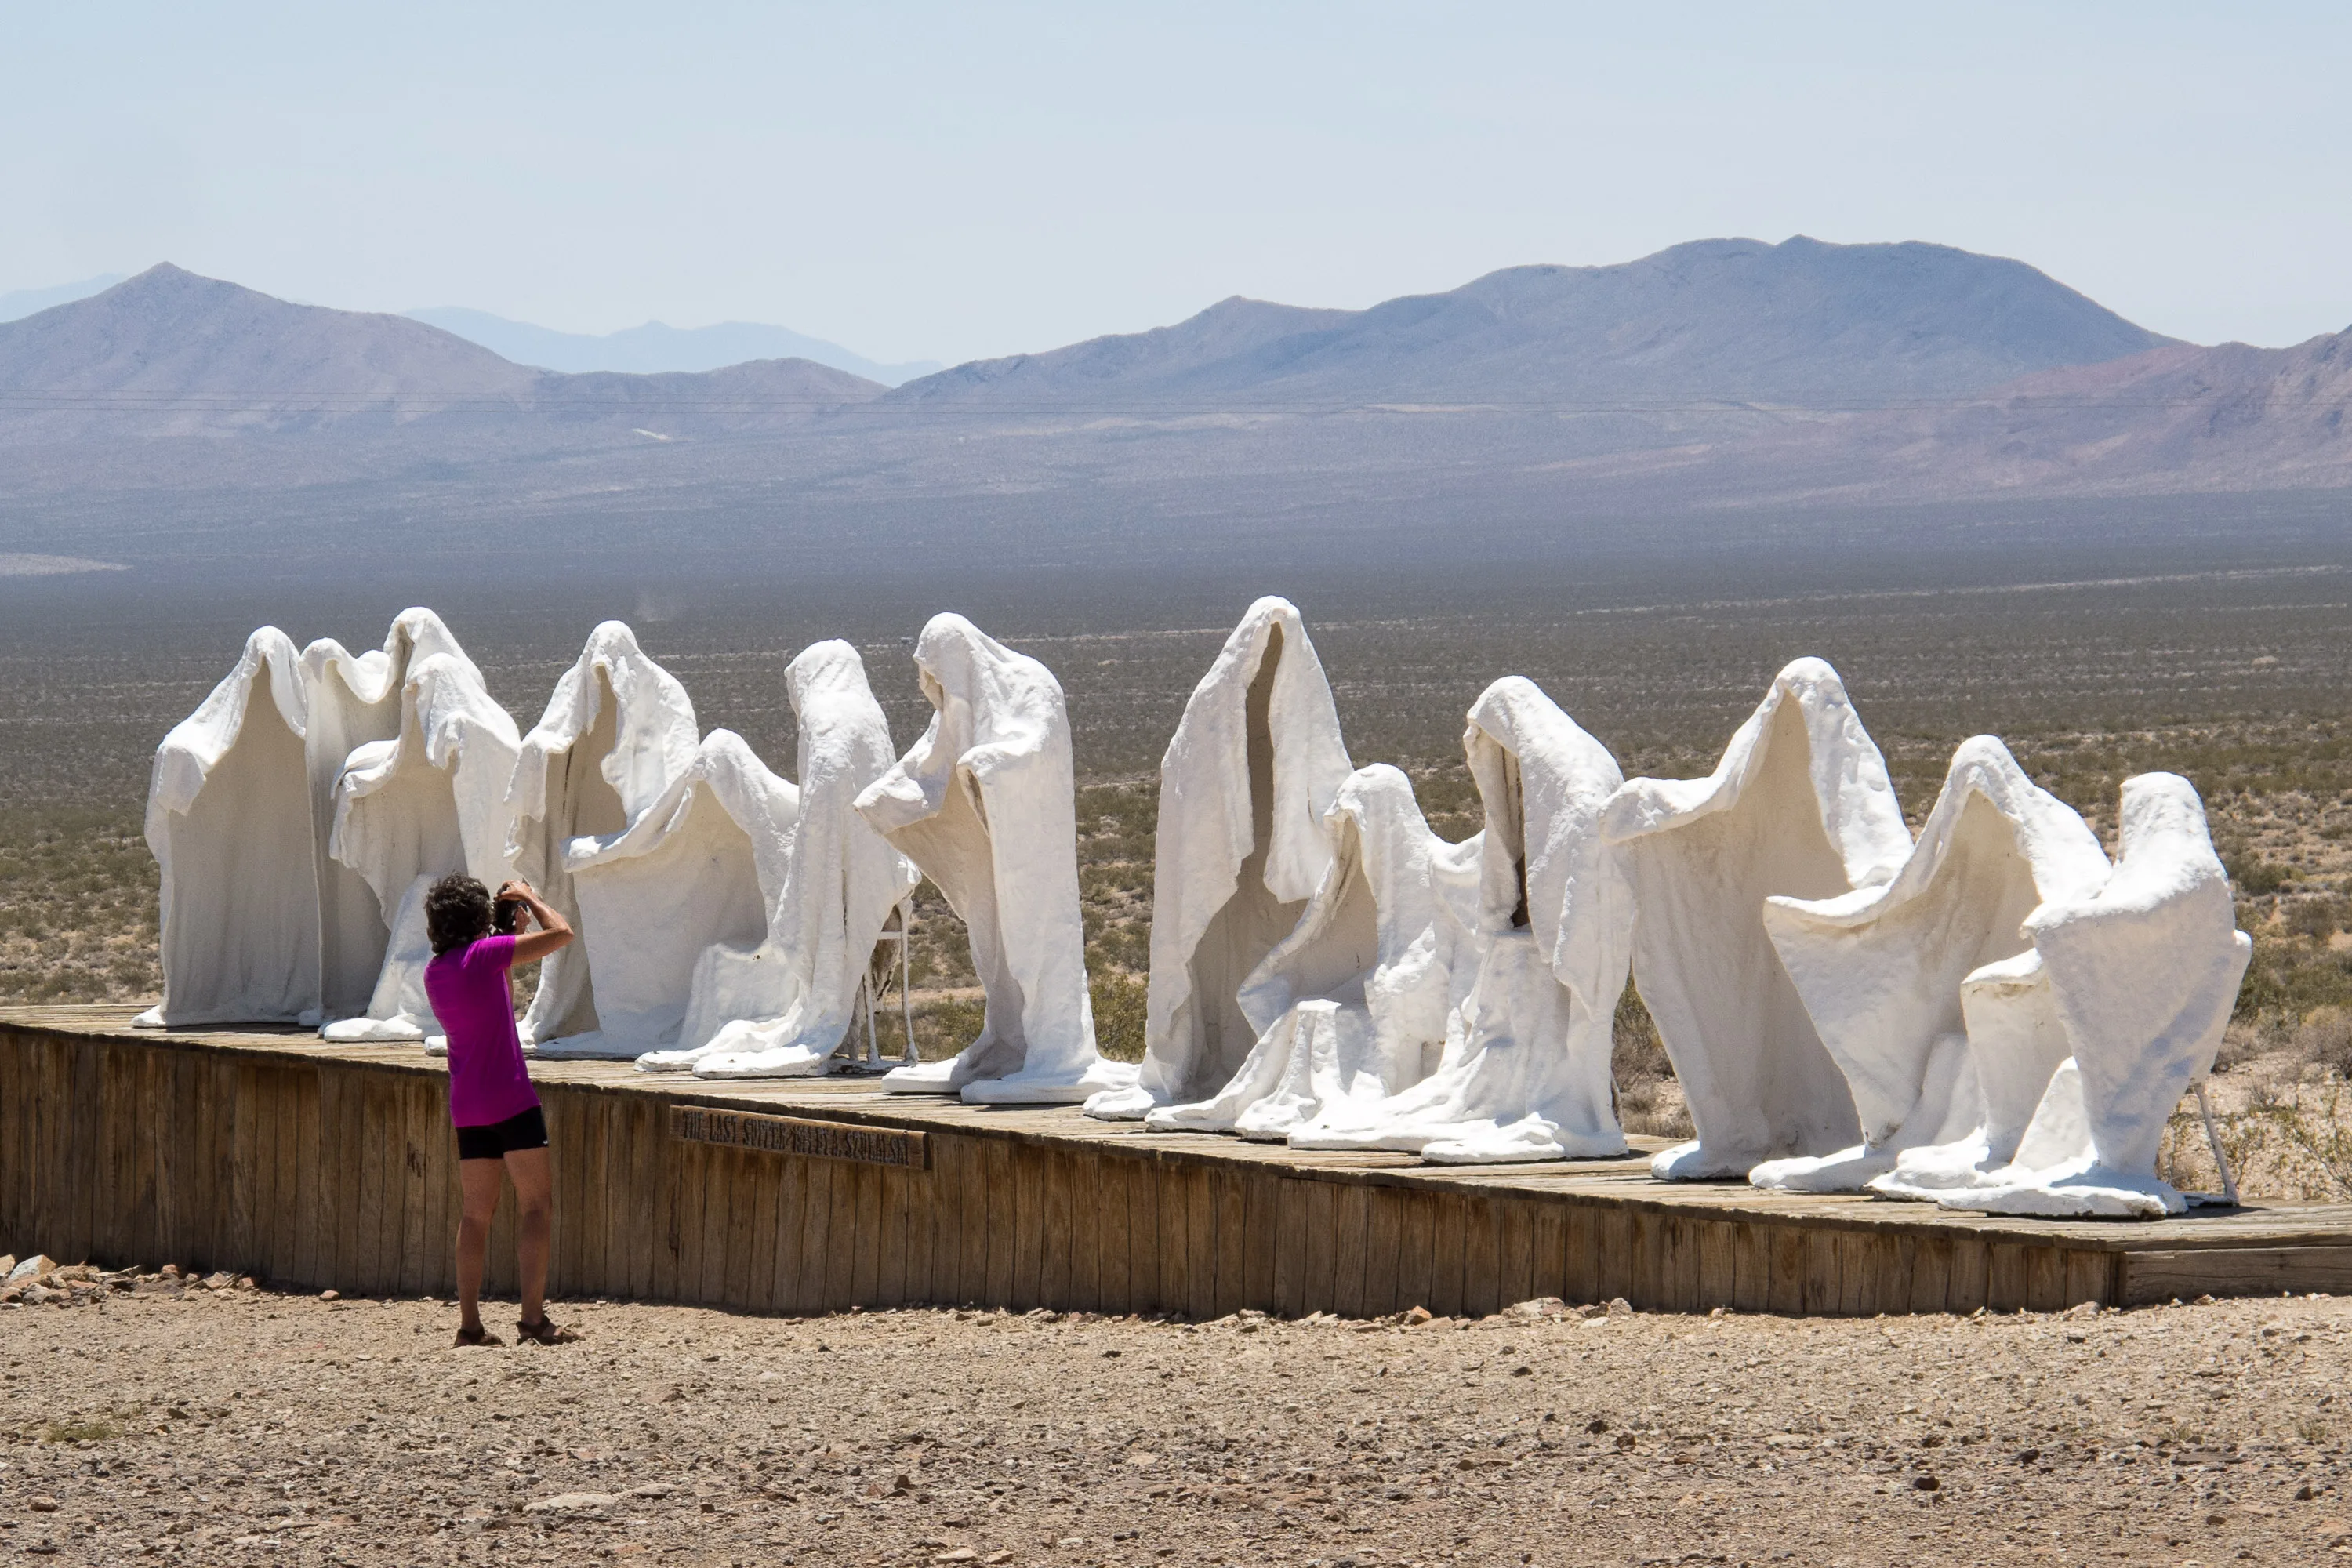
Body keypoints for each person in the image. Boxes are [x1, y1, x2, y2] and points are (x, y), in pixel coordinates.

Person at [423, 873, 581, 1347]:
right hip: (511, 1099)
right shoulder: (485, 956)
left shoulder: (437, 972)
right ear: (477, 918)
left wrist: (503, 931)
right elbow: (562, 934)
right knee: (536, 1206)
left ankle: (470, 1326)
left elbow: (494, 987)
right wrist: (530, 897)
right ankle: (532, 1320)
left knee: (475, 1216)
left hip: (468, 1108)